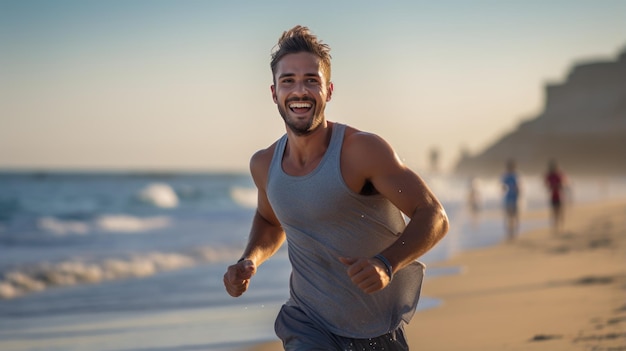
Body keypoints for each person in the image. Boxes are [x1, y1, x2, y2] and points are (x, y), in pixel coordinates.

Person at [223, 25, 449, 350]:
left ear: (328, 91)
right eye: (288, 81)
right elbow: (271, 220)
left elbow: (434, 215)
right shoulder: (263, 164)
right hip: (306, 321)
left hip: (375, 330)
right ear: (274, 92)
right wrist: (250, 260)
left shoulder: (362, 151)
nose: (299, 91)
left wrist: (387, 263)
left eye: (311, 81)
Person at [545, 159, 567, 233]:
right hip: (553, 196)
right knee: (554, 212)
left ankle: (561, 227)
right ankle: (555, 227)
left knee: (560, 212)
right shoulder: (549, 176)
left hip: (560, 196)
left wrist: (557, 185)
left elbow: (564, 184)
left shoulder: (560, 175)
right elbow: (546, 185)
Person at [501, 159, 521, 240]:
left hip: (514, 199)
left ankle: (514, 233)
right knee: (510, 217)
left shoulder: (516, 176)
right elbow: (503, 188)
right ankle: (510, 233)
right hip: (508, 199)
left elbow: (518, 188)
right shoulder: (505, 176)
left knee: (514, 217)